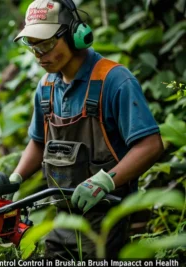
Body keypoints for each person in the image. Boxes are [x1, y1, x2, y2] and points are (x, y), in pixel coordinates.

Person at [9, 0, 164, 260]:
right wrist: (14, 178)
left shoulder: (115, 81)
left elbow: (150, 145)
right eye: (32, 45)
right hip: (64, 221)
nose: (38, 55)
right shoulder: (46, 87)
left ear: (74, 34)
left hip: (112, 218)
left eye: (45, 44)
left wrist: (107, 180)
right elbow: (38, 143)